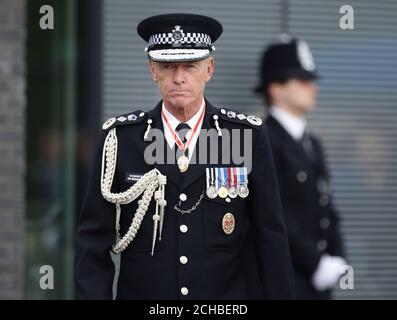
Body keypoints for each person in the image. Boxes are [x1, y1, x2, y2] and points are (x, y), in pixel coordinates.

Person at [74, 13, 295, 299]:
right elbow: (92, 244)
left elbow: (270, 240)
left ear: (209, 69)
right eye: (167, 66)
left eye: (190, 66)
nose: (178, 78)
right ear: (153, 70)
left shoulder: (245, 137)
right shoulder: (121, 139)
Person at [254, 36, 346, 299]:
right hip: (287, 281)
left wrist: (337, 256)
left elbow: (325, 203)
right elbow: (273, 212)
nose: (313, 87)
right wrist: (315, 261)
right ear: (276, 88)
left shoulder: (312, 143)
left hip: (317, 283)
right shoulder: (264, 140)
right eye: (304, 80)